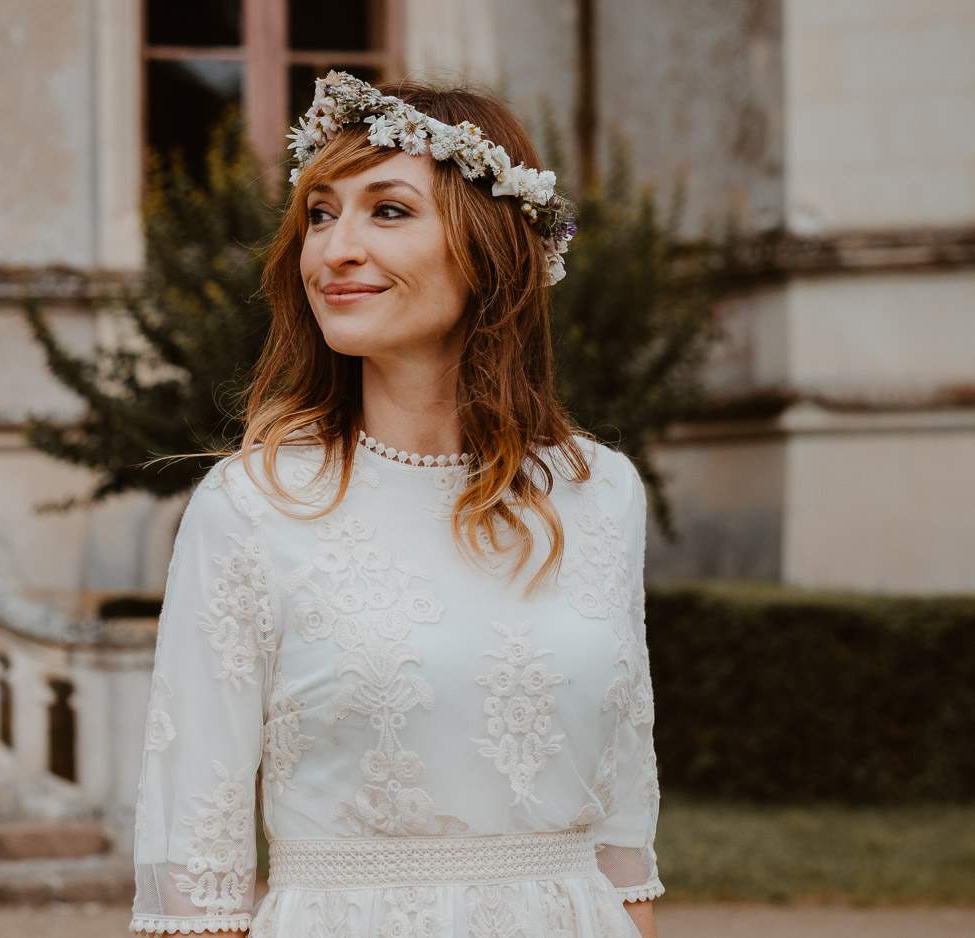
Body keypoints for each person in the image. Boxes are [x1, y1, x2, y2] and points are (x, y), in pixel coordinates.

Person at [130, 73, 661, 938]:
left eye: (387, 210)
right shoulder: (252, 506)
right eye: (320, 213)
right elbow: (199, 862)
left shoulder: (600, 492)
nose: (334, 249)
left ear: (488, 245)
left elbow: (623, 816)